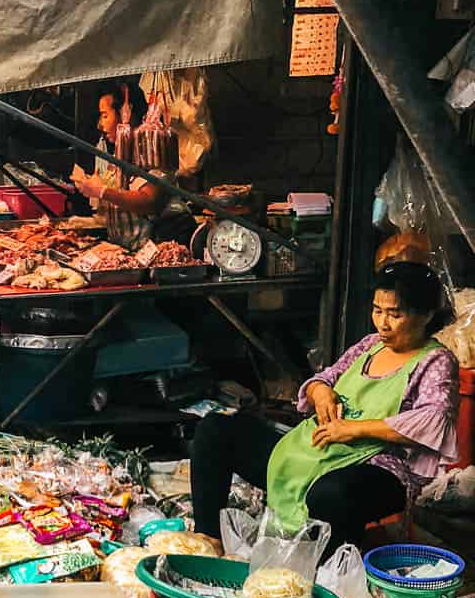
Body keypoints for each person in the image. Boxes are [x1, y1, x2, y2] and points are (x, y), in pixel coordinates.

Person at [191, 263, 458, 549]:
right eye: (377, 310)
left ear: (426, 315)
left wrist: (353, 430)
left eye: (395, 314)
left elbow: (434, 418)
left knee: (329, 494)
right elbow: (325, 377)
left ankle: (333, 573)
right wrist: (321, 393)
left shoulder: (436, 361)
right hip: (312, 452)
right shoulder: (370, 345)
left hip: (378, 467)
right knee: (216, 429)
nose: (382, 323)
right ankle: (209, 540)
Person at [68, 83, 167, 251]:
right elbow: (122, 208)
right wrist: (92, 218)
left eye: (105, 116)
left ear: (125, 114)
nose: (100, 125)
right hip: (125, 251)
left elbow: (149, 201)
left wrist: (102, 191)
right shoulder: (117, 157)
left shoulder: (150, 153)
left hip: (154, 249)